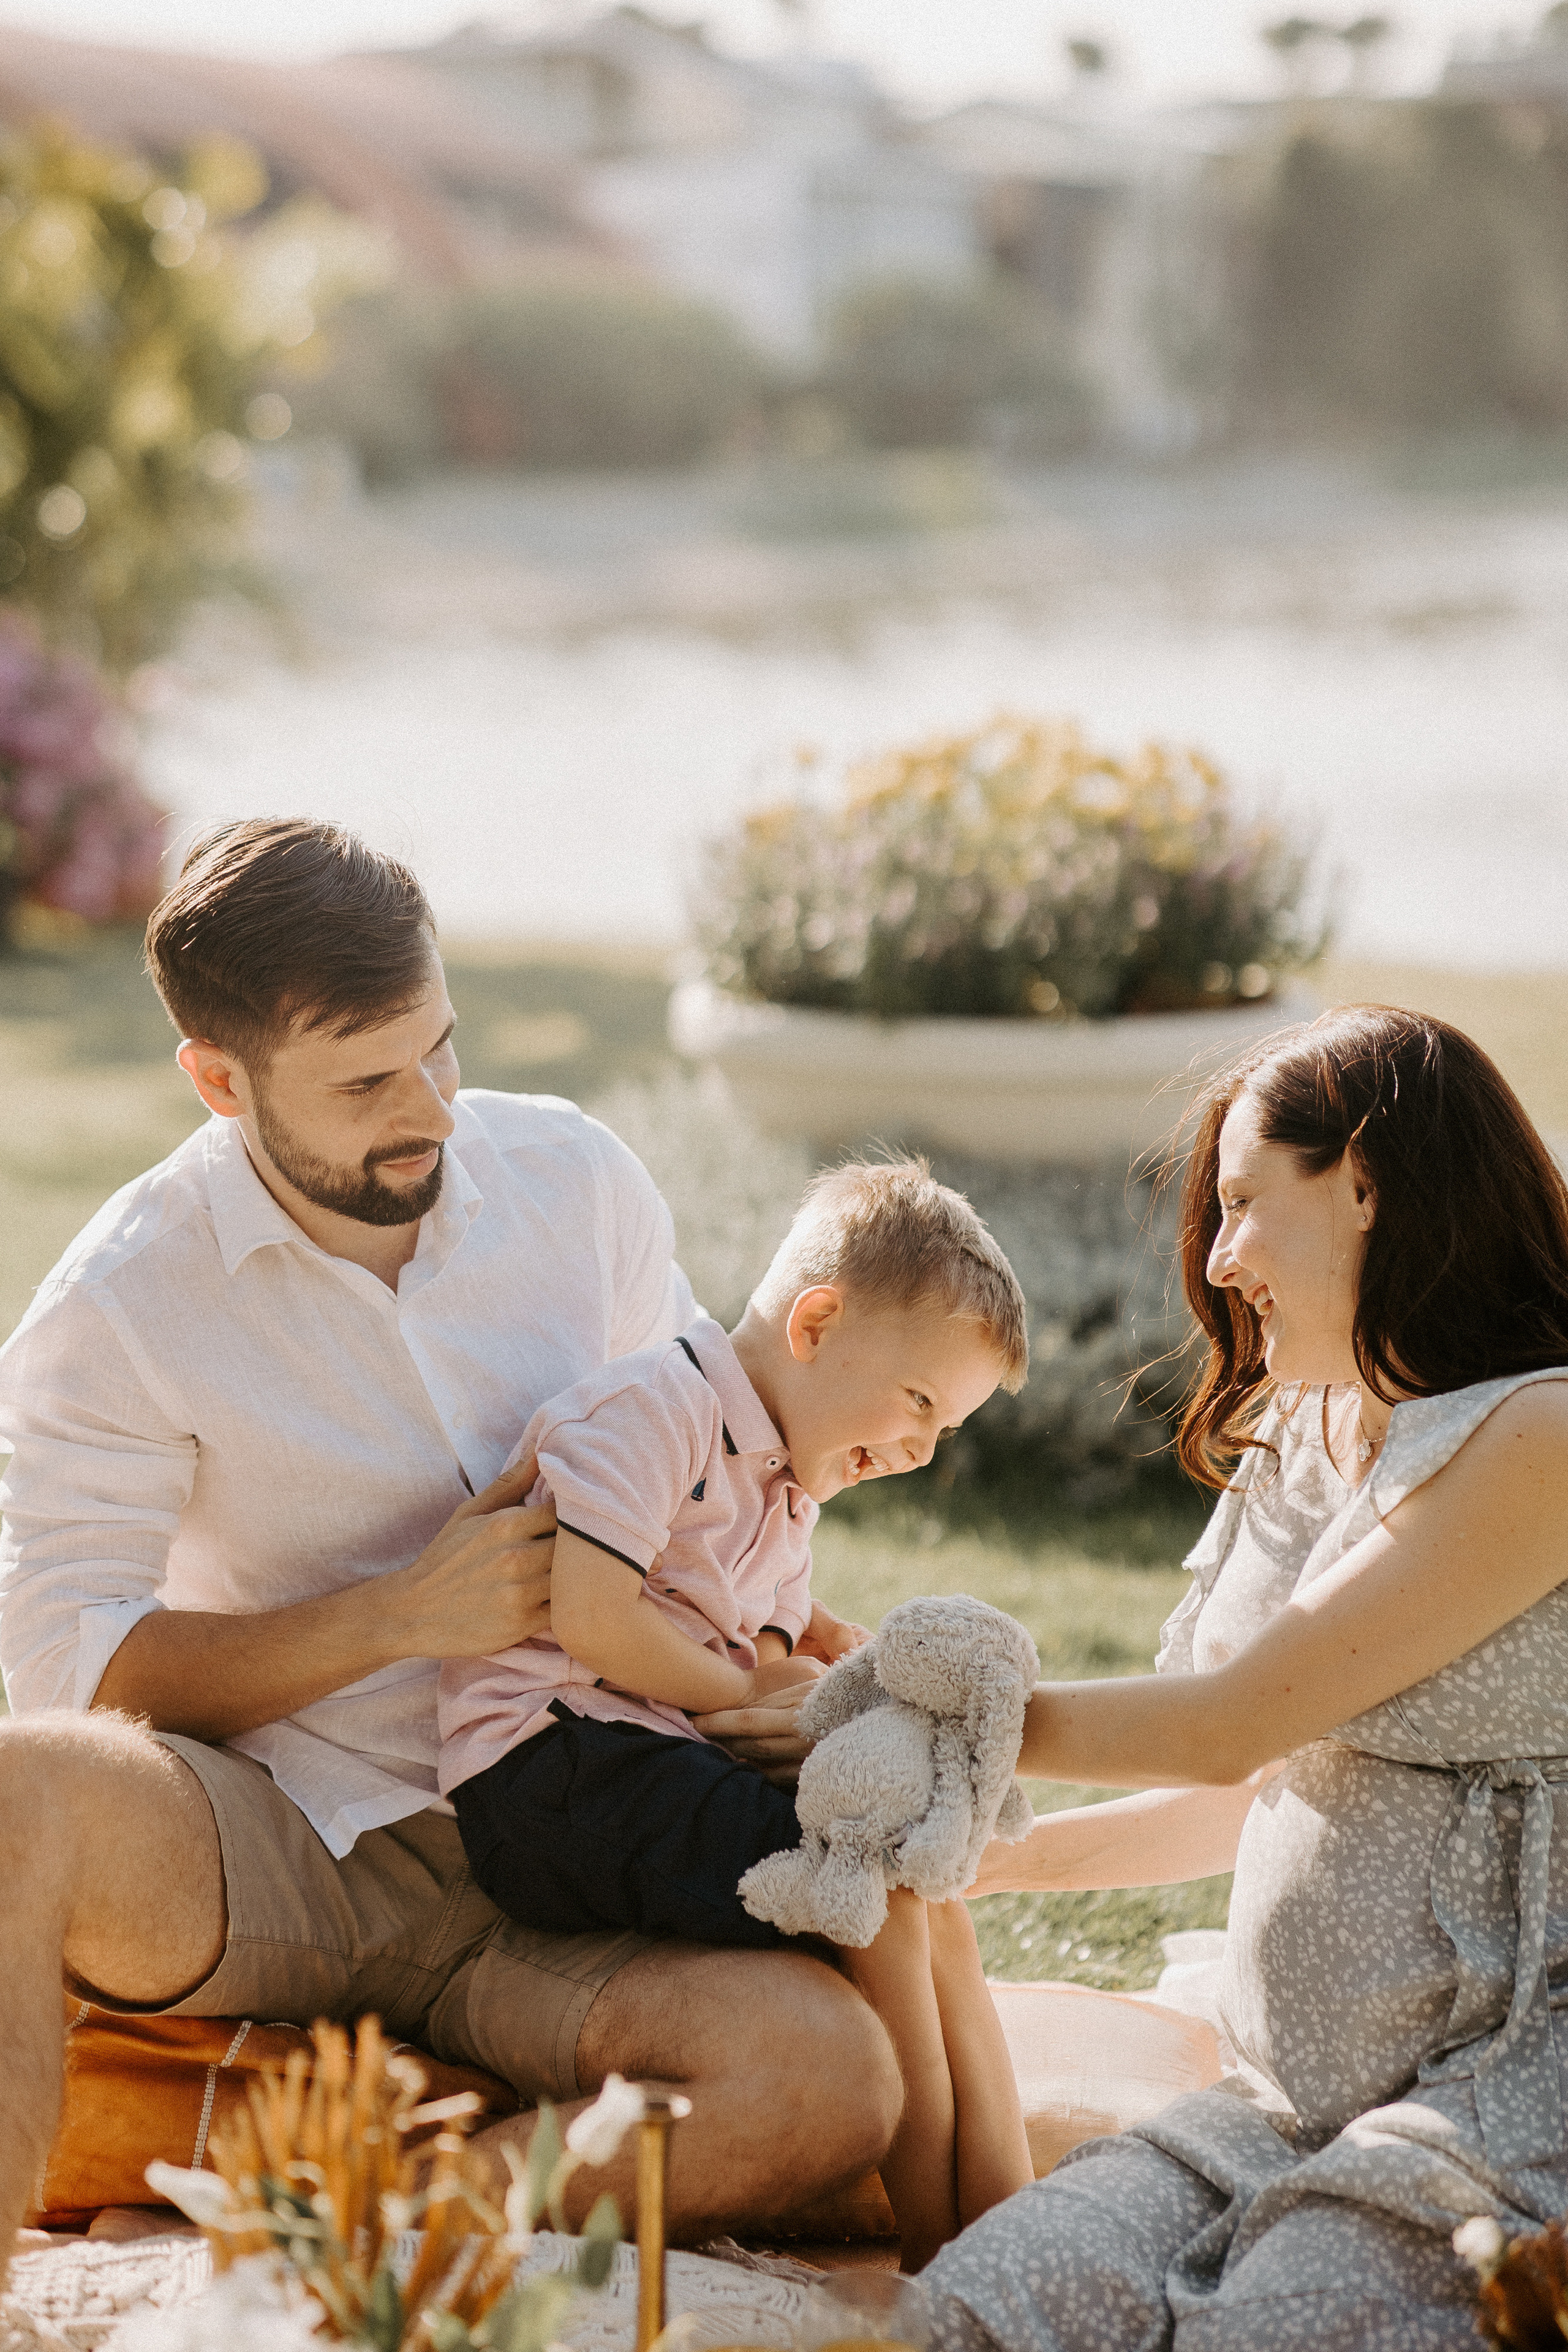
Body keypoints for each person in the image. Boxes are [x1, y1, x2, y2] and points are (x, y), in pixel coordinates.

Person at [0, 818, 902, 2286]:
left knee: (829, 2083)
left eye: (440, 1048)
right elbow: (68, 1673)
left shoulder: (577, 1186)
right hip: (279, 1835)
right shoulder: (117, 1304)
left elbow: (708, 1489)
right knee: (18, 1791)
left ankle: (336, 2221)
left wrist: (797, 1668)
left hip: (558, 1843)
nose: (427, 1106)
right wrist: (393, 1617)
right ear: (220, 1084)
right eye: (364, 1083)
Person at [920, 1002, 1568, 2348]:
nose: (1215, 1263)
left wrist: (930, 1714)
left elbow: (1228, 1722)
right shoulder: (1305, 1420)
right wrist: (984, 1862)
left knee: (1285, 2327)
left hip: (1504, 2083)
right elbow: (1240, 1788)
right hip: (1274, 2099)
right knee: (977, 2309)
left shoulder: (1537, 1432)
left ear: (1368, 1184)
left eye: (1237, 1205)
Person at [439, 1161, 1037, 2270]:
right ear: (816, 1323)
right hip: (547, 1767)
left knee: (915, 1878)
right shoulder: (653, 1410)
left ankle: (1009, 2213)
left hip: (637, 1757)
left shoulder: (783, 1490)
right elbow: (593, 1615)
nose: (922, 1449)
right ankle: (947, 2252)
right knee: (868, 1897)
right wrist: (742, 1695)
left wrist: (831, 1680)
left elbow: (769, 1646)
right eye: (919, 1403)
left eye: (944, 1428)